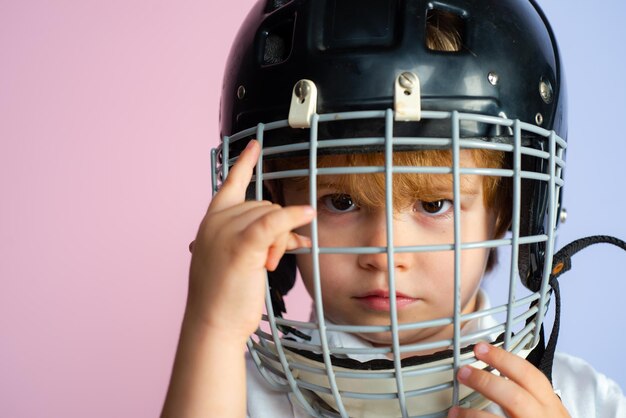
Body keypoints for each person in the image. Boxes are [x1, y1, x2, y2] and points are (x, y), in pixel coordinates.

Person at [162, 0, 626, 417]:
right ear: (271, 201)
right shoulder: (229, 391)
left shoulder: (576, 399)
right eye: (341, 202)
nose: (384, 253)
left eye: (433, 203)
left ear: (511, 208)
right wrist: (213, 328)